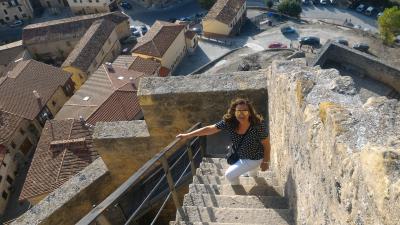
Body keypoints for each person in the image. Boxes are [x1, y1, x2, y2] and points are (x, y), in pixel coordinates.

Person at [176, 98, 271, 185]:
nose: (241, 114)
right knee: (252, 172)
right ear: (234, 112)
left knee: (229, 175)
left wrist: (265, 162)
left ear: (250, 113)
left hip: (255, 158)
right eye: (238, 111)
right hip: (241, 155)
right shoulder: (230, 122)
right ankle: (253, 174)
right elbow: (209, 129)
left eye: (245, 111)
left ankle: (237, 187)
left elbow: (266, 144)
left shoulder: (257, 126)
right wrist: (188, 135)